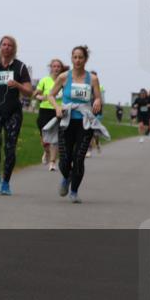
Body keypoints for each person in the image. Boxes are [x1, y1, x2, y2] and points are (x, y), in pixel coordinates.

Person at [47, 45, 105, 204]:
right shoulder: (64, 77)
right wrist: (57, 107)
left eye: (81, 57)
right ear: (72, 59)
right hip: (66, 121)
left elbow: (98, 97)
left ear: (85, 59)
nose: (78, 60)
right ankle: (66, 177)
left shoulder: (92, 79)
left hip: (84, 123)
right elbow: (50, 95)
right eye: (75, 57)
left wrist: (97, 101)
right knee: (64, 160)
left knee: (78, 159)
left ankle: (74, 191)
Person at [0, 36, 34, 195]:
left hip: (13, 113)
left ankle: (6, 183)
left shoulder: (20, 67)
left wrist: (17, 85)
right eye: (4, 44)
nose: (6, 47)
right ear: (0, 47)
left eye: (10, 45)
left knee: (10, 148)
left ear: (14, 48)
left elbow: (29, 92)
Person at [33, 59, 64, 171]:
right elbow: (35, 94)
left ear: (61, 68)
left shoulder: (64, 80)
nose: (56, 68)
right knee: (45, 139)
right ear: (50, 68)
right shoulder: (44, 80)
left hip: (57, 111)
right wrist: (40, 97)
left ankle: (52, 162)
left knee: (55, 137)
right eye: (54, 66)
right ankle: (46, 152)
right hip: (44, 110)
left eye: (58, 66)